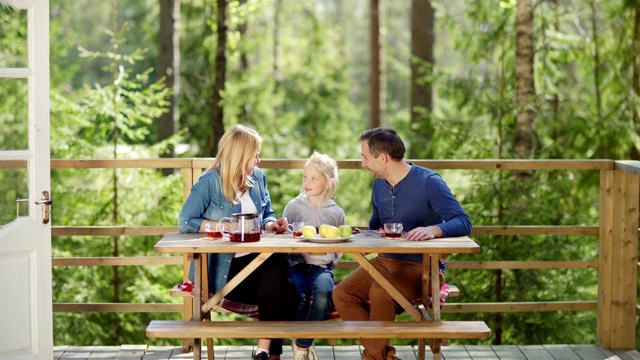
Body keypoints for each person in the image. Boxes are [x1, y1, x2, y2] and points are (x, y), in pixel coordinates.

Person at [332, 128, 472, 360]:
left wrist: (434, 230)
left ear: (383, 158)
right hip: (385, 260)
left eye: (365, 157)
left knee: (380, 291)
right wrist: (363, 235)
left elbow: (463, 221)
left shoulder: (429, 182)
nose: (363, 164)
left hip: (421, 266)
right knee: (343, 294)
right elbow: (377, 225)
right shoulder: (379, 185)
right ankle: (383, 355)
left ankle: (373, 356)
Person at [177, 124, 298, 360]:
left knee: (284, 275)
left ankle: (264, 352)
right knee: (287, 287)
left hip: (258, 263)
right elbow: (185, 221)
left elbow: (267, 213)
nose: (258, 160)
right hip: (224, 271)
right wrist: (226, 227)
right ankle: (270, 354)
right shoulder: (210, 182)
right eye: (254, 155)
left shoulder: (258, 178)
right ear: (240, 156)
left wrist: (272, 225)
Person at [282, 151, 346, 360]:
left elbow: (338, 247)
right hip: (297, 265)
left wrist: (325, 258)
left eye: (314, 178)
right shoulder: (294, 206)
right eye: (305, 177)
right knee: (297, 296)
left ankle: (301, 344)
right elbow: (284, 238)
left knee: (322, 298)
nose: (307, 182)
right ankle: (304, 349)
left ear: (327, 182)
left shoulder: (336, 213)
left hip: (322, 268)